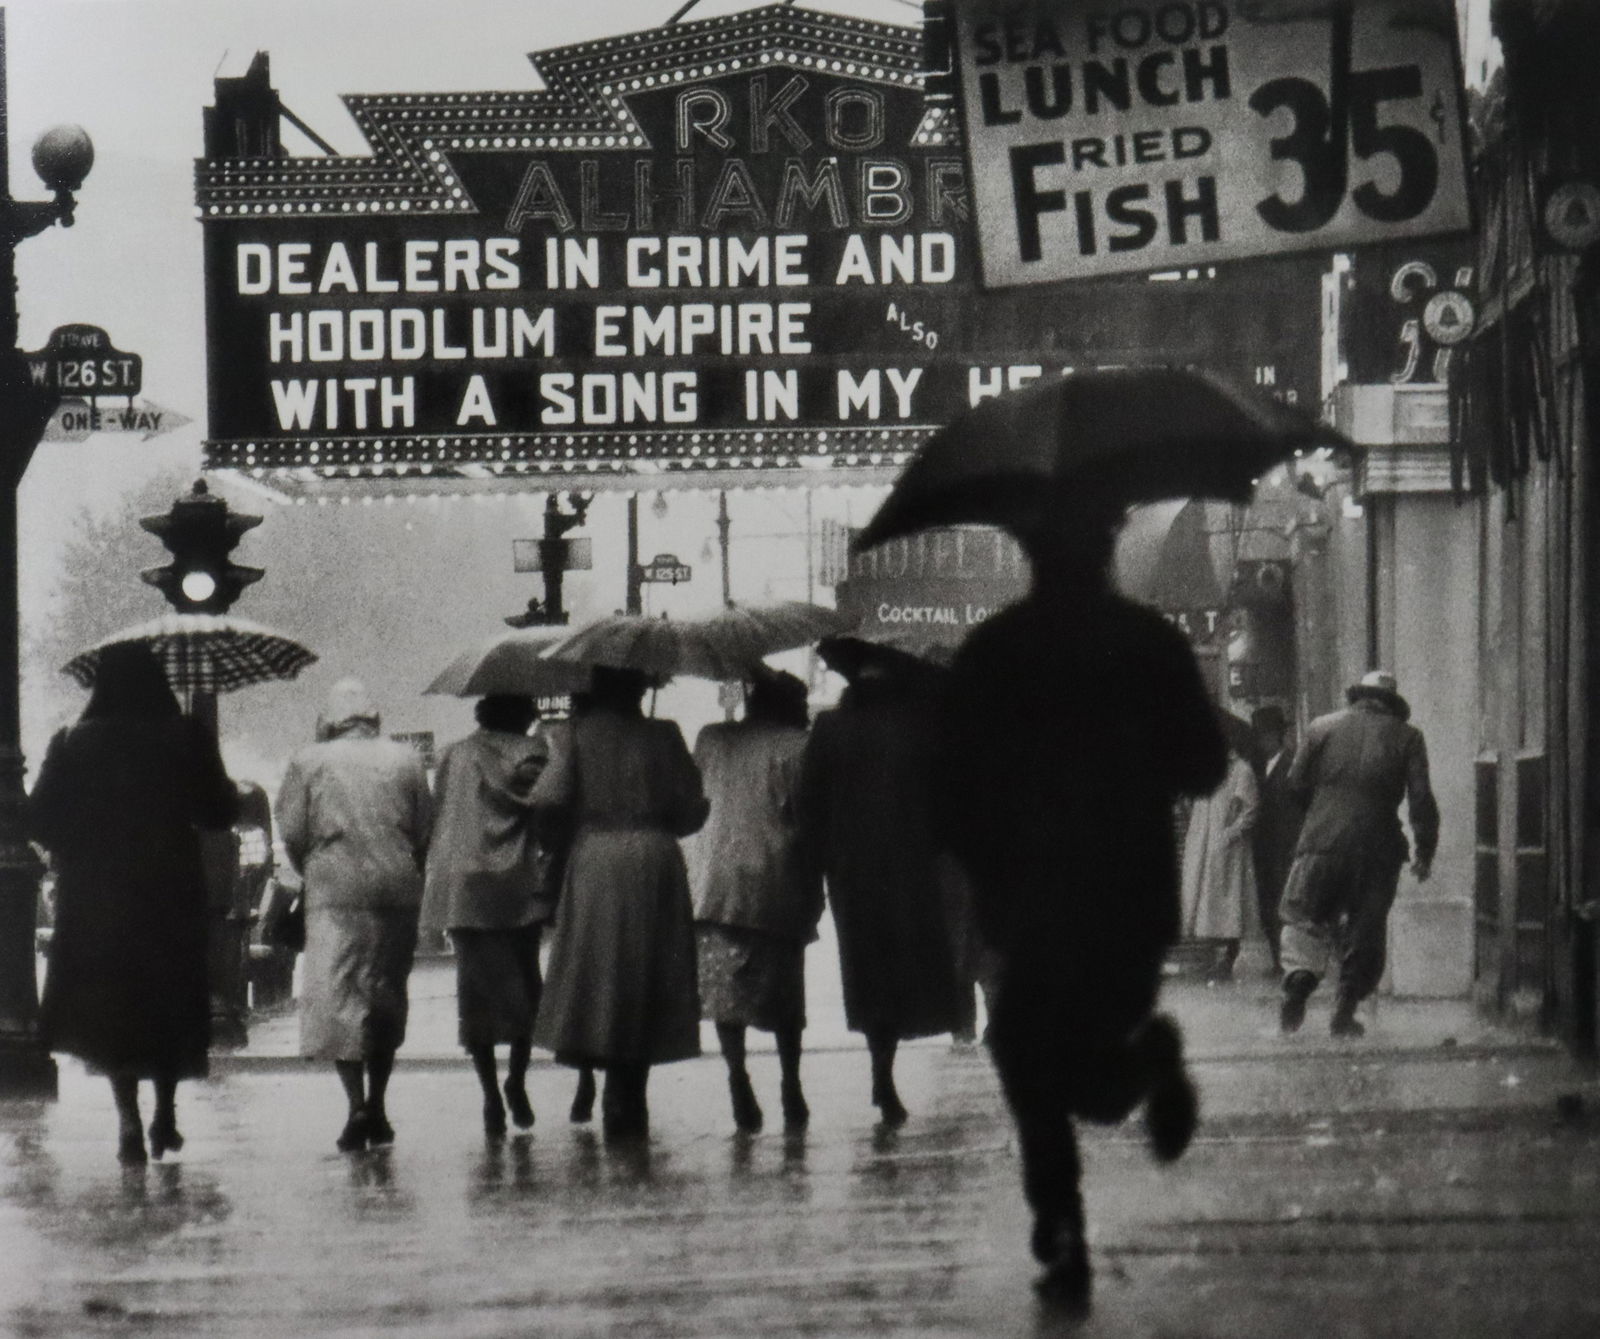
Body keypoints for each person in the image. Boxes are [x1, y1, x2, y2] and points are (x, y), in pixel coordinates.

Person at [937, 495, 1227, 1311]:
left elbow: (950, 787)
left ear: (1028, 552)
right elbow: (1204, 765)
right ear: (1107, 550)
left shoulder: (994, 652)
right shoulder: (1149, 644)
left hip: (1031, 897)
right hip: (1128, 895)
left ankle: (1063, 1219)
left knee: (1031, 1060)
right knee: (1081, 1058)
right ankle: (1142, 1067)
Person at [27, 642, 239, 1165]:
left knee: (113, 1006)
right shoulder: (186, 735)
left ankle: (127, 1118)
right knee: (166, 995)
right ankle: (166, 1111)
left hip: (97, 895)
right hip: (169, 889)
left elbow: (39, 820)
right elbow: (219, 811)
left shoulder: (73, 742)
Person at [530, 665, 708, 1142]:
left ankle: (608, 1076)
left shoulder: (574, 735)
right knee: (650, 969)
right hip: (655, 857)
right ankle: (635, 1084)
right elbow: (692, 806)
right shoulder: (665, 734)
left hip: (597, 856)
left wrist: (564, 833)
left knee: (602, 967)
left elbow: (548, 799)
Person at [797, 637, 967, 1127]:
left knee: (867, 967)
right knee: (902, 966)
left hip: (851, 871)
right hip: (910, 866)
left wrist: (820, 861)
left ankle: (880, 1065)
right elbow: (946, 802)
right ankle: (883, 1071)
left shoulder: (829, 728)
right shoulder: (918, 728)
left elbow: (809, 805)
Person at [277, 679, 433, 1152]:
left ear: (329, 719)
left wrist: (316, 868)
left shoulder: (309, 762)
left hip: (335, 889)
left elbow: (292, 831)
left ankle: (355, 1107)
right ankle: (381, 1105)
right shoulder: (405, 759)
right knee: (385, 992)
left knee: (340, 996)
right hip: (396, 886)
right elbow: (425, 826)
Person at [686, 666, 824, 1132]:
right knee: (785, 995)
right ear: (788, 707)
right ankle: (791, 1081)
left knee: (725, 993)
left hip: (714, 881)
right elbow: (808, 819)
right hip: (775, 882)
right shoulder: (797, 748)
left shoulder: (710, 739)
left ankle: (737, 1074)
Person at [421, 694, 555, 1138]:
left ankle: (490, 1095)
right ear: (523, 715)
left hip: (463, 885)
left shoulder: (454, 754)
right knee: (524, 989)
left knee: (475, 996)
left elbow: (440, 812)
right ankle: (516, 1079)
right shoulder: (534, 753)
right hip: (515, 883)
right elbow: (547, 808)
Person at [1277, 670, 1439, 1037]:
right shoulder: (1409, 737)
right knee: (1366, 931)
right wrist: (1424, 849)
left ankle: (1297, 987)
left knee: (1305, 919)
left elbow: (1295, 784)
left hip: (1320, 844)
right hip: (1377, 850)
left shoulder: (1321, 727)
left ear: (1358, 696)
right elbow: (1421, 799)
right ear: (1392, 704)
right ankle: (1344, 1010)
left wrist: (1322, 815)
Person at [1178, 732, 1261, 982]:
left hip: (1228, 847)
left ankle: (1228, 956)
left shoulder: (1241, 771)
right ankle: (1211, 958)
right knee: (1202, 900)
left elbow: (1251, 809)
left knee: (1228, 901)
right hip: (1202, 843)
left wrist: (1230, 833)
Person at [1249, 704, 1302, 972]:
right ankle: (1278, 960)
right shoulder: (1260, 768)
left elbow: (1299, 809)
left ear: (1278, 736)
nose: (1261, 742)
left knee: (1284, 904)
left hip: (1285, 847)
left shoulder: (1292, 764)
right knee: (1267, 903)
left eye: (1266, 736)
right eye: (1259, 737)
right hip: (1265, 849)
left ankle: (1287, 962)